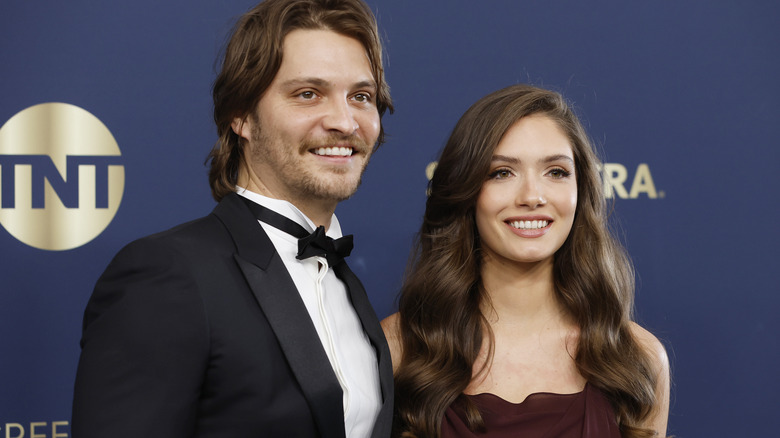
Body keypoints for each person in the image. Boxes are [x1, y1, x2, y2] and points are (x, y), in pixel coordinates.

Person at [72, 0, 394, 437]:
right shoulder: (168, 274)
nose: (344, 121)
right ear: (240, 115)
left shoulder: (344, 280)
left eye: (361, 96)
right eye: (307, 94)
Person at [382, 84, 670, 438]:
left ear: (581, 192)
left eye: (556, 172)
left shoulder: (636, 358)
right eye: (502, 172)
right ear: (467, 190)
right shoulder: (400, 347)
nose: (532, 196)